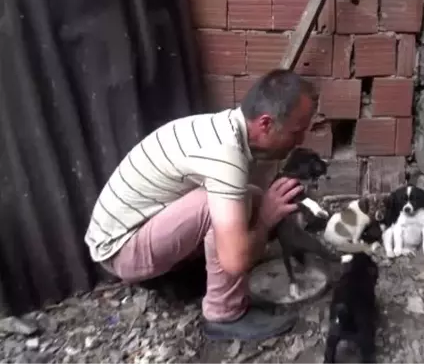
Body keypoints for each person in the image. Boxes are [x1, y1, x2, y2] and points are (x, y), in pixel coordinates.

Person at [83, 69, 317, 341]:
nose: (300, 141)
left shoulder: (224, 127)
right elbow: (234, 261)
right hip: (120, 249)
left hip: (133, 227)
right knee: (230, 205)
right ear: (265, 124)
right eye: (296, 132)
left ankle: (186, 275)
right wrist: (265, 219)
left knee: (249, 195)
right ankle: (224, 314)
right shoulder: (225, 155)